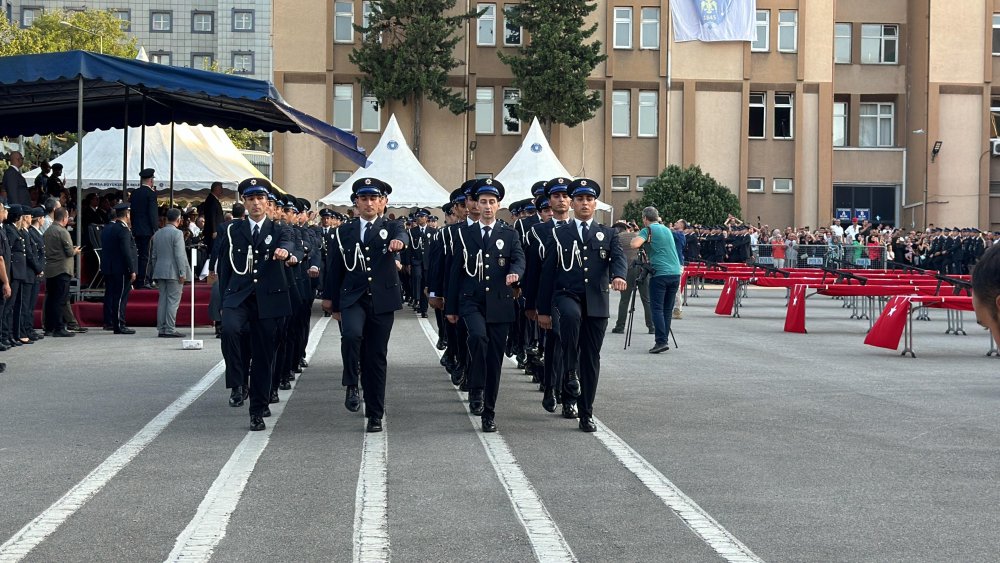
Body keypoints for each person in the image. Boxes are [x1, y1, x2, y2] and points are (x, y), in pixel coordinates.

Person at [537, 179, 626, 432]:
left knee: (591, 357)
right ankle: (569, 372)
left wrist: (618, 276)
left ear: (595, 203)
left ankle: (586, 411)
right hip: (567, 295)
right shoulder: (559, 233)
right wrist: (543, 310)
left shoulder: (608, 234)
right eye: (579, 199)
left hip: (596, 301)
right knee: (571, 317)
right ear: (573, 203)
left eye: (589, 199)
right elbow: (547, 274)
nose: (584, 203)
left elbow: (618, 259)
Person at [322, 178, 408, 433]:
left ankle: (375, 413)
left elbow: (402, 235)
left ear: (383, 202)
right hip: (352, 297)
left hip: (382, 300)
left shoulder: (392, 227)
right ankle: (351, 382)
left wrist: (399, 243)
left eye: (374, 198)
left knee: (376, 358)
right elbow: (335, 267)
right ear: (356, 203)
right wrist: (330, 300)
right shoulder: (343, 231)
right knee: (351, 335)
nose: (369, 203)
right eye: (364, 198)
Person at [445, 178, 524, 432]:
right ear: (475, 205)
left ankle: (489, 411)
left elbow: (519, 260)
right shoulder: (463, 234)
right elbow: (454, 271)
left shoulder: (509, 234)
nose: (487, 206)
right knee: (478, 338)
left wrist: (515, 273)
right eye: (483, 202)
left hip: (500, 303)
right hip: (472, 301)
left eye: (492, 202)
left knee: (494, 359)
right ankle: (476, 387)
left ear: (498, 204)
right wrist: (451, 308)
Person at [218, 178, 295, 431]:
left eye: (260, 198)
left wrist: (284, 252)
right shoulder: (231, 230)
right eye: (250, 199)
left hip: (268, 299)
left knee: (264, 355)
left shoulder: (279, 229)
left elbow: (288, 244)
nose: (255, 203)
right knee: (229, 329)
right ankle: (238, 382)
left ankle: (258, 409)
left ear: (267, 202)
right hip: (238, 295)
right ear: (244, 202)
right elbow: (225, 266)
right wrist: (221, 301)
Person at [631, 206, 683, 354]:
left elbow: (634, 244)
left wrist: (637, 236)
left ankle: (660, 341)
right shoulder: (667, 229)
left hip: (660, 273)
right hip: (675, 273)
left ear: (645, 219)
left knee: (657, 309)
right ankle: (664, 340)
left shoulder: (648, 230)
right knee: (667, 309)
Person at [149, 208, 188, 338]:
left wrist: (156, 269)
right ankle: (170, 328)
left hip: (160, 270)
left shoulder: (158, 233)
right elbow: (179, 255)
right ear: (178, 219)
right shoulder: (177, 234)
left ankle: (161, 328)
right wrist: (182, 272)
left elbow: (153, 255)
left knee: (163, 300)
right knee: (173, 301)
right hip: (174, 271)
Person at [101, 203, 138, 334]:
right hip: (121, 268)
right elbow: (126, 251)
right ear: (127, 214)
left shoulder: (108, 228)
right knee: (121, 297)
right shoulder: (123, 230)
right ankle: (119, 324)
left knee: (113, 294)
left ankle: (113, 322)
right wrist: (132, 269)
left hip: (109, 267)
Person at [611, 221, 653, 335]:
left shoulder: (616, 238)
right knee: (647, 299)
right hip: (642, 268)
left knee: (624, 300)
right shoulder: (637, 235)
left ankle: (620, 326)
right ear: (626, 229)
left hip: (627, 270)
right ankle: (651, 326)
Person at [43, 208, 79, 337]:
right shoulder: (62, 232)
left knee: (51, 299)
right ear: (64, 218)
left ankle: (49, 327)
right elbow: (69, 252)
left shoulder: (47, 231)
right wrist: (76, 251)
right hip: (62, 269)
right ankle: (59, 327)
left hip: (50, 269)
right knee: (61, 299)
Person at [130, 168, 159, 289]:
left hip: (136, 229)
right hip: (147, 230)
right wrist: (155, 229)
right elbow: (152, 214)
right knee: (146, 256)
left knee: (137, 254)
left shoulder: (135, 193)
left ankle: (137, 278)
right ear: (151, 180)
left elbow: (132, 212)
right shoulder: (151, 194)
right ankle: (143, 279)